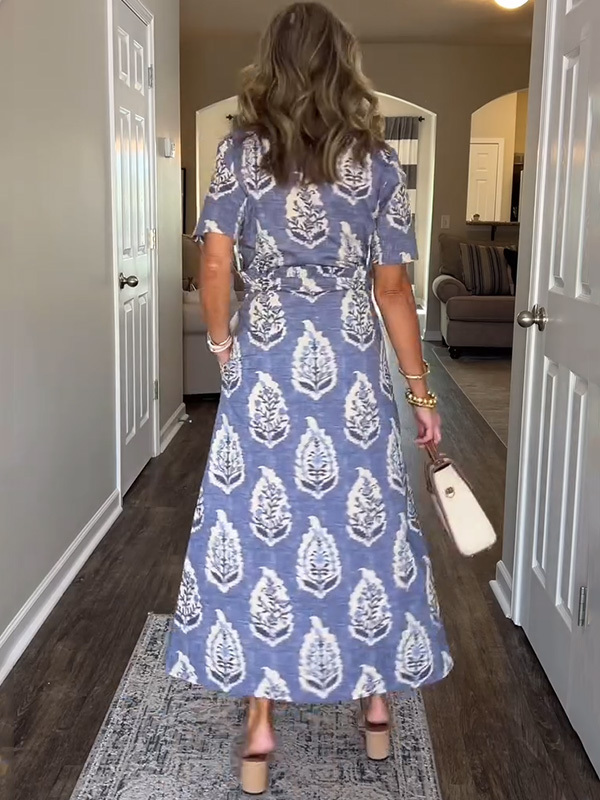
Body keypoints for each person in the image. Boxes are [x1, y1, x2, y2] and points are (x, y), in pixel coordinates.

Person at [166, 2, 452, 793]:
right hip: (351, 369)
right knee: (366, 527)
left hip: (265, 363)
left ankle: (259, 727)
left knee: (259, 530)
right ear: (343, 65)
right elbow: (393, 290)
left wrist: (222, 344)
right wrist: (422, 393)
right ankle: (377, 708)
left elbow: (214, 266)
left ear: (273, 65)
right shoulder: (380, 163)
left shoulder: (240, 154)